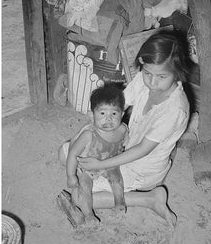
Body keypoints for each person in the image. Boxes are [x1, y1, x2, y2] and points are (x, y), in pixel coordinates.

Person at [58, 31, 190, 228]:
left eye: (161, 76)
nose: (152, 82)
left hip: (141, 167)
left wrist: (99, 165)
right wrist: (92, 129)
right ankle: (103, 173)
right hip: (121, 147)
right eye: (147, 73)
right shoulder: (144, 80)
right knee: (65, 153)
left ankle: (150, 198)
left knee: (80, 196)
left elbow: (141, 150)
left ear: (177, 72)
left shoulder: (175, 110)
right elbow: (119, 103)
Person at [58, 85, 128, 226]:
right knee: (84, 186)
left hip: (109, 164)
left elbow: (125, 144)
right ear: (92, 115)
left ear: (122, 114)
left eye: (114, 114)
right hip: (87, 168)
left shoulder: (123, 129)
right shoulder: (89, 134)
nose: (108, 119)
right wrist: (71, 175)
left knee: (117, 179)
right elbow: (73, 153)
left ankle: (119, 201)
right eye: (102, 114)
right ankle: (88, 214)